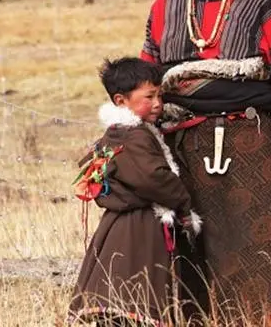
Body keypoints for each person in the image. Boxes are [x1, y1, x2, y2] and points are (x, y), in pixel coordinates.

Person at [139, 0, 271, 326]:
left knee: (258, 241)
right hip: (184, 145)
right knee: (192, 244)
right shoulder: (165, 6)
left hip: (250, 141)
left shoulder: (260, 1)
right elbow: (148, 77)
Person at [67, 57, 202, 327]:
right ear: (121, 100)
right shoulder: (134, 136)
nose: (157, 104)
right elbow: (154, 179)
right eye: (149, 96)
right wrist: (184, 200)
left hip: (120, 228)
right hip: (139, 231)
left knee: (120, 307)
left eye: (160, 96)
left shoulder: (121, 133)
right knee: (135, 306)